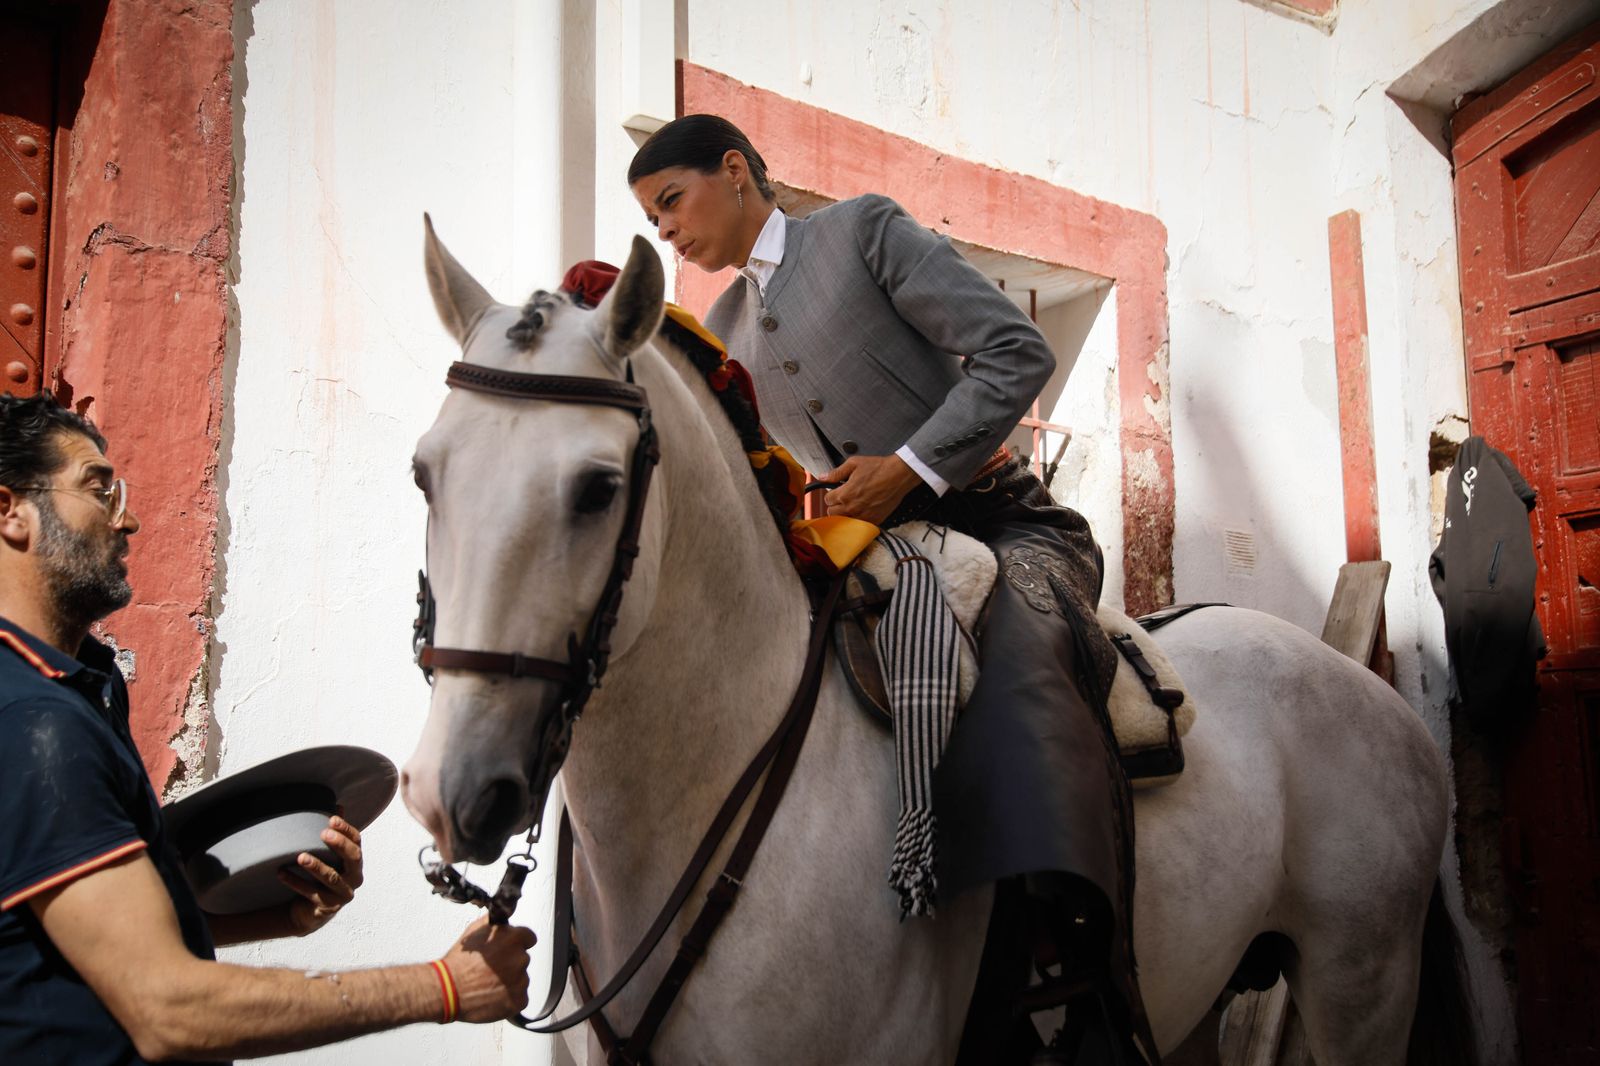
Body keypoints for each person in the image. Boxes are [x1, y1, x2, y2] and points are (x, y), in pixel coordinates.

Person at [629, 115, 1151, 1064]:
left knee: (1018, 668)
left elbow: (1016, 354)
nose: (665, 231)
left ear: (736, 172)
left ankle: (1082, 977)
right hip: (864, 559)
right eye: (652, 218)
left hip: (1004, 524)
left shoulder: (862, 230)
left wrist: (908, 466)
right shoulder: (721, 334)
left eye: (672, 200)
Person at [0, 391, 535, 1064]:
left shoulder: (77, 691)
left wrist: (274, 917)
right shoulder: (32, 722)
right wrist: (445, 989)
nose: (127, 519)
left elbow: (79, 941)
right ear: (9, 512)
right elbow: (169, 1009)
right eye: (99, 491)